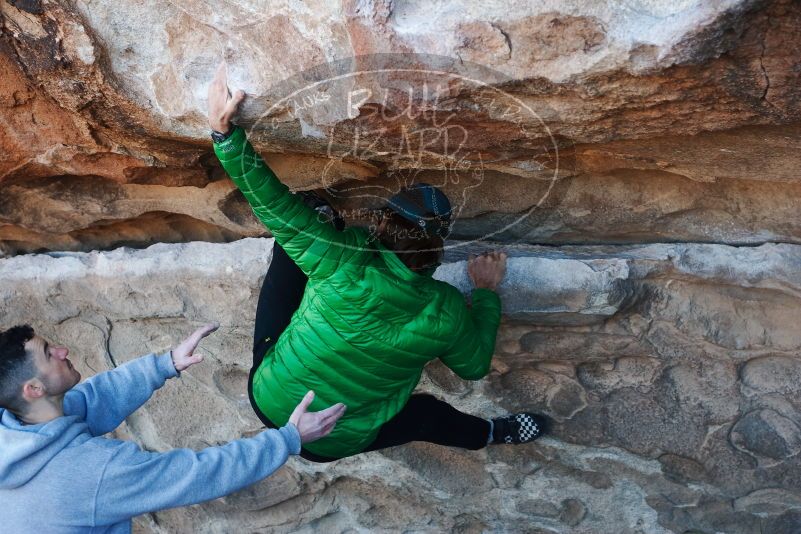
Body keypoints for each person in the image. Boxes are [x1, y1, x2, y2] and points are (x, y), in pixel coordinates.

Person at [208, 64, 546, 462]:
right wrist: (486, 294)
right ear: (437, 247)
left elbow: (276, 206)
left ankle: (321, 217)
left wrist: (224, 135)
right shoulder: (448, 309)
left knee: (299, 234)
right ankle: (490, 433)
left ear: (384, 221)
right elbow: (473, 366)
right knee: (423, 417)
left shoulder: (340, 257)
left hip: (271, 401)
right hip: (336, 440)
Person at [0, 322, 345, 533]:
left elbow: (92, 399)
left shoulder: (17, 429)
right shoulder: (90, 473)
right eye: (49, 352)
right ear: (34, 389)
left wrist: (164, 364)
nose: (62, 350)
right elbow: (195, 475)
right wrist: (287, 439)